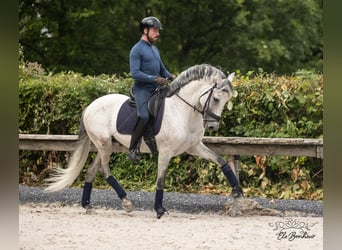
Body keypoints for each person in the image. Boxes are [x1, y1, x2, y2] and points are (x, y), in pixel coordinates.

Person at [128, 16, 176, 163]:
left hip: (157, 88)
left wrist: (173, 77)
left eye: (158, 31)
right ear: (145, 30)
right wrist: (154, 79)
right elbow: (134, 73)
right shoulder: (136, 50)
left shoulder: (154, 49)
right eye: (155, 31)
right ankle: (132, 149)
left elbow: (162, 69)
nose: (158, 34)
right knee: (144, 116)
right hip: (142, 89)